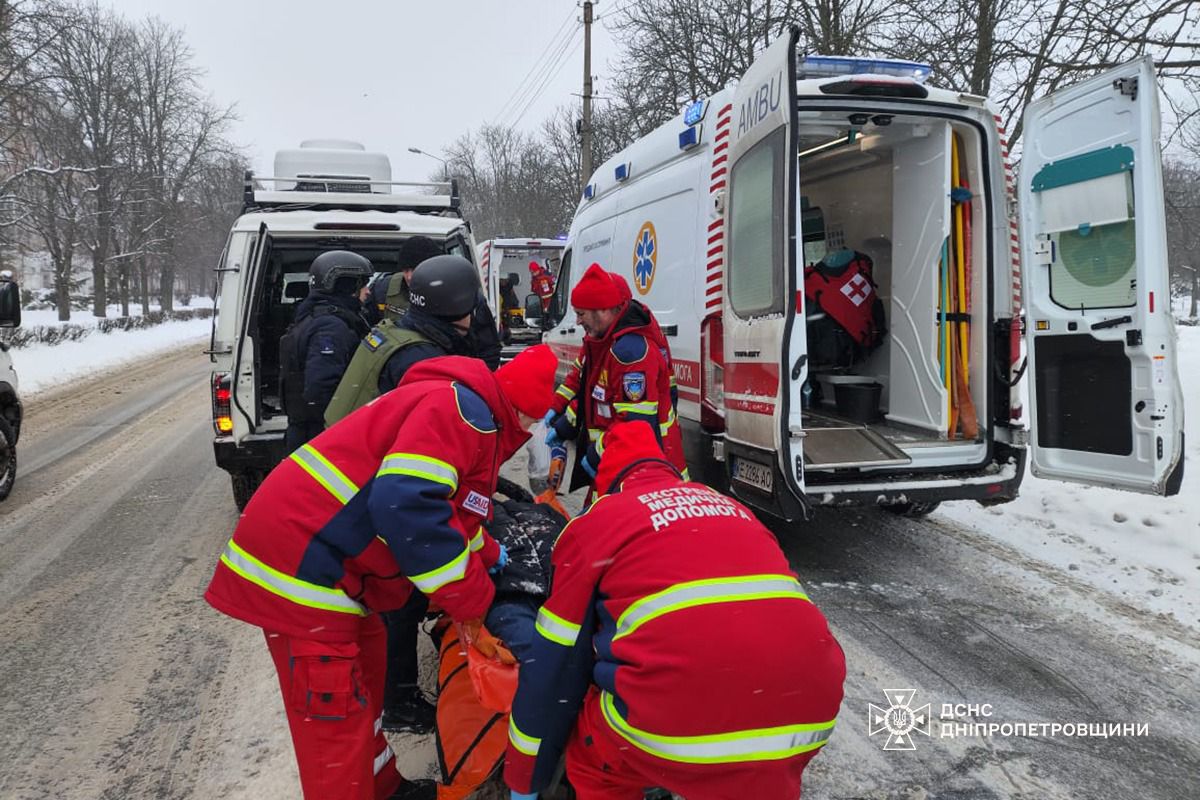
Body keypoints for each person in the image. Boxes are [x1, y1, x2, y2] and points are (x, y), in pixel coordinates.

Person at [204, 345, 561, 800]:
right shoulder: (463, 414)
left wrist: (489, 557)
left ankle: (381, 786)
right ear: (519, 408)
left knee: (368, 674)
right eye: (532, 422)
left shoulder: (465, 408)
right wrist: (472, 603)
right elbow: (407, 505)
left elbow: (455, 509)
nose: (530, 433)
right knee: (333, 713)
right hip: (303, 566)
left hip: (331, 560)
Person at [503, 421, 846, 800]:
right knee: (748, 759)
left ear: (608, 479)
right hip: (810, 708)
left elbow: (556, 663)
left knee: (595, 758)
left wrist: (525, 778)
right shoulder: (730, 506)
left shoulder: (599, 522)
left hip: (680, 712)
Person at [544, 263, 686, 493]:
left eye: (581, 314)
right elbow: (589, 392)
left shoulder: (631, 353)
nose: (578, 322)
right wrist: (561, 421)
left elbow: (634, 424)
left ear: (604, 310)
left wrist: (595, 455)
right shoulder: (601, 341)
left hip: (641, 467)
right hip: (617, 460)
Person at [279, 250, 372, 449]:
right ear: (345, 285)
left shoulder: (313, 317)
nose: (368, 291)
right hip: (320, 434)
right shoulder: (330, 327)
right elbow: (321, 389)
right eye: (362, 285)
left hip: (308, 431)